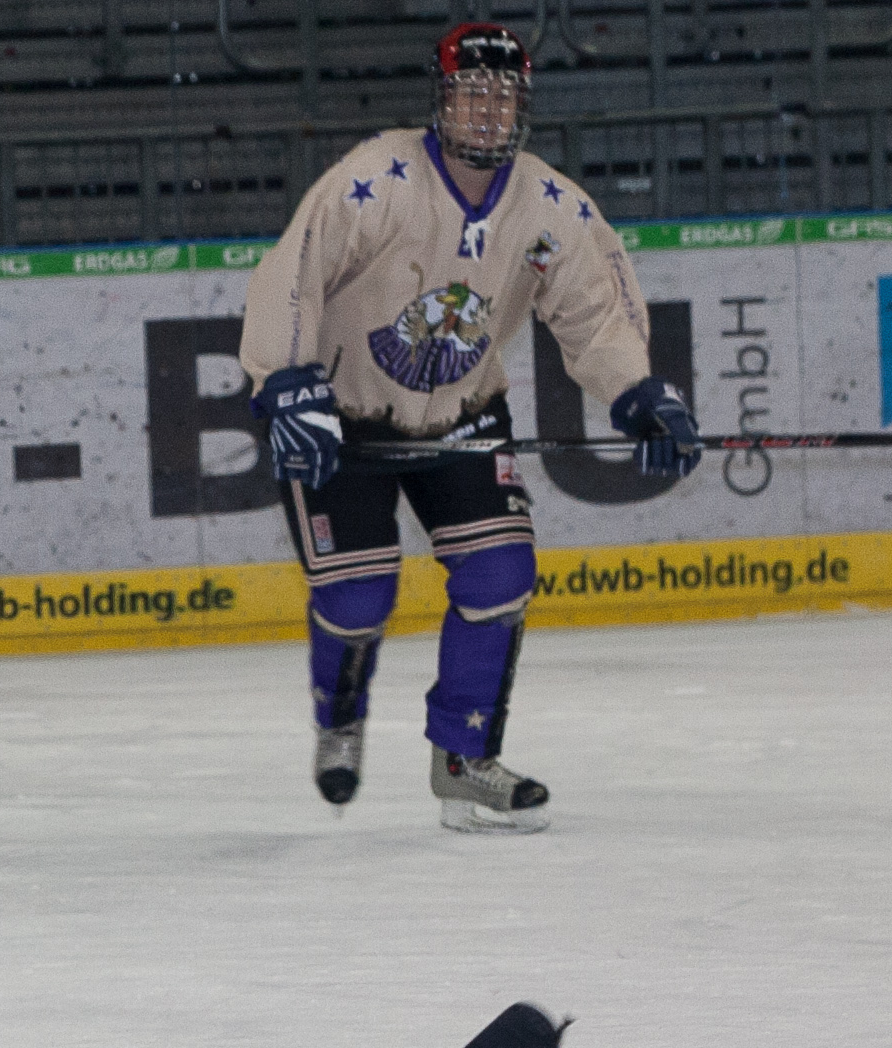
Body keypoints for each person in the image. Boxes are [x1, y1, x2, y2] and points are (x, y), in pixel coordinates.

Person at [238, 22, 701, 832]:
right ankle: (340, 720)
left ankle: (463, 760)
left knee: (500, 579)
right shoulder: (375, 180)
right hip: (344, 422)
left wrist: (637, 392)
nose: (487, 111)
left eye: (503, 96)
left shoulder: (550, 209)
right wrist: (284, 377)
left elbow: (594, 312)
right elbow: (293, 273)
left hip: (463, 418)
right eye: (471, 93)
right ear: (441, 99)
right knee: (357, 598)